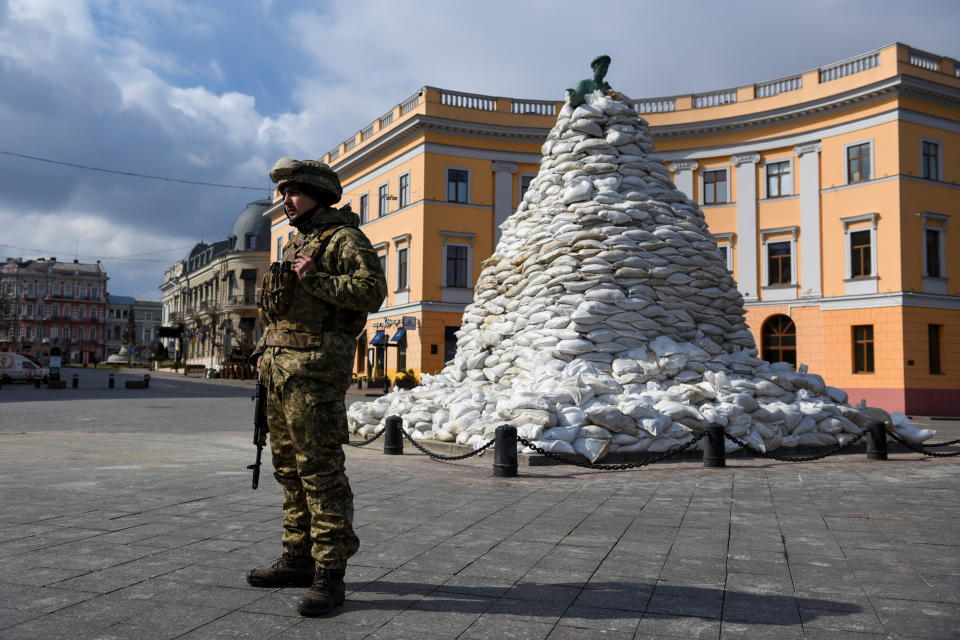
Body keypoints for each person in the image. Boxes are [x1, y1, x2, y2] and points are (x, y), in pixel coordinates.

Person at [246, 157, 387, 616]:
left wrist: (316, 276)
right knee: (288, 471)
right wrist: (265, 351)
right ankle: (297, 558)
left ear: (319, 194)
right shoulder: (299, 242)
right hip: (281, 374)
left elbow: (371, 292)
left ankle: (330, 574)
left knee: (320, 473)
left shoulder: (343, 239)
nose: (286, 202)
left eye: (294, 193)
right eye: (284, 194)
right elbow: (281, 313)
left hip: (315, 377)